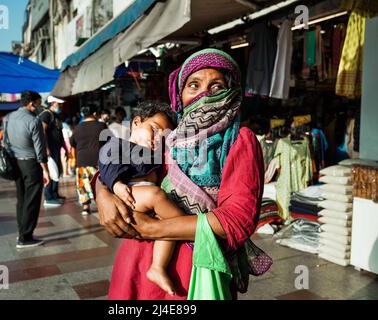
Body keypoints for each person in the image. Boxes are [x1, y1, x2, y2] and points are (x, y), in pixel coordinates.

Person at [95, 48, 265, 300]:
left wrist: (153, 229)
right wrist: (102, 196)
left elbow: (237, 220)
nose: (204, 94)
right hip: (136, 261)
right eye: (193, 85)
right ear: (180, 94)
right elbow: (118, 166)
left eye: (216, 86)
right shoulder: (169, 137)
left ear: (232, 92)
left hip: (192, 271)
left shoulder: (240, 139)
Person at [99, 101, 180, 295]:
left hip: (143, 197)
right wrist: (116, 186)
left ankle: (158, 266)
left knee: (167, 223)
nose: (157, 139)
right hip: (133, 192)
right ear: (136, 122)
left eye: (164, 137)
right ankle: (184, 222)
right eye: (154, 129)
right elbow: (106, 165)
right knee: (157, 196)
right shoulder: (119, 144)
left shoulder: (156, 154)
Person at [5, 90, 50, 249]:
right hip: (31, 164)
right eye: (38, 103)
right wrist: (45, 170)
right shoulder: (34, 121)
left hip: (16, 162)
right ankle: (26, 237)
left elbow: (6, 142)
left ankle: (22, 232)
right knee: (32, 200)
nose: (39, 106)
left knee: (22, 199)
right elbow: (40, 150)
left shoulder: (9, 117)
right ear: (31, 103)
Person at [71, 105, 107, 215]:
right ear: (95, 113)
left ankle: (86, 207)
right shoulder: (101, 126)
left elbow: (73, 143)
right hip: (98, 161)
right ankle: (102, 206)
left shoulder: (77, 128)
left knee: (82, 185)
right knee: (100, 184)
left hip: (82, 161)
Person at [39, 95, 67, 208]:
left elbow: (60, 133)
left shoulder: (56, 116)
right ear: (52, 103)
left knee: (57, 171)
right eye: (58, 104)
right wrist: (46, 148)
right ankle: (48, 197)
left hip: (56, 148)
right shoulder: (46, 114)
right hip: (50, 149)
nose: (60, 106)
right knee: (51, 172)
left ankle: (55, 194)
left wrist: (64, 147)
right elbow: (42, 131)